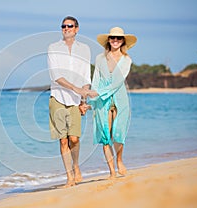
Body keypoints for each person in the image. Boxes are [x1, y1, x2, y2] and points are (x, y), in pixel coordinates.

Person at [48, 16, 94, 187]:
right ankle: (69, 176)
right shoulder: (53, 48)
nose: (66, 28)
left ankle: (76, 165)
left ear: (77, 29)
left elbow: (85, 77)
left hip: (75, 100)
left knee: (74, 138)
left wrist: (83, 99)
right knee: (63, 140)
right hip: (57, 97)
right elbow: (56, 75)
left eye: (70, 26)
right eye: (63, 26)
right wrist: (76, 89)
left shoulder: (85, 49)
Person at [88, 27, 137, 179]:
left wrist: (98, 92)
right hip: (102, 100)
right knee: (105, 134)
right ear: (108, 40)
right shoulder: (100, 58)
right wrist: (92, 98)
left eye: (119, 38)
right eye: (112, 38)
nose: (115, 41)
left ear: (123, 41)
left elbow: (117, 82)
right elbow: (96, 78)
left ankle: (120, 160)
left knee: (118, 133)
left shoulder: (126, 59)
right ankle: (112, 171)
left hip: (119, 97)